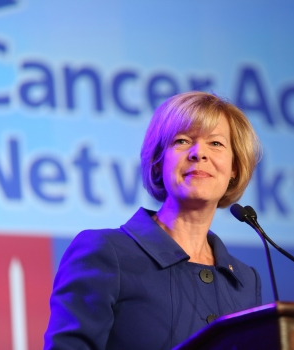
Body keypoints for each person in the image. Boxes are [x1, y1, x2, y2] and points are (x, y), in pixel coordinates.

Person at [44, 91, 262, 349]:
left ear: (234, 168)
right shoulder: (105, 252)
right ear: (158, 162)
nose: (198, 153)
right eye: (182, 141)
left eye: (215, 144)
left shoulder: (245, 281)